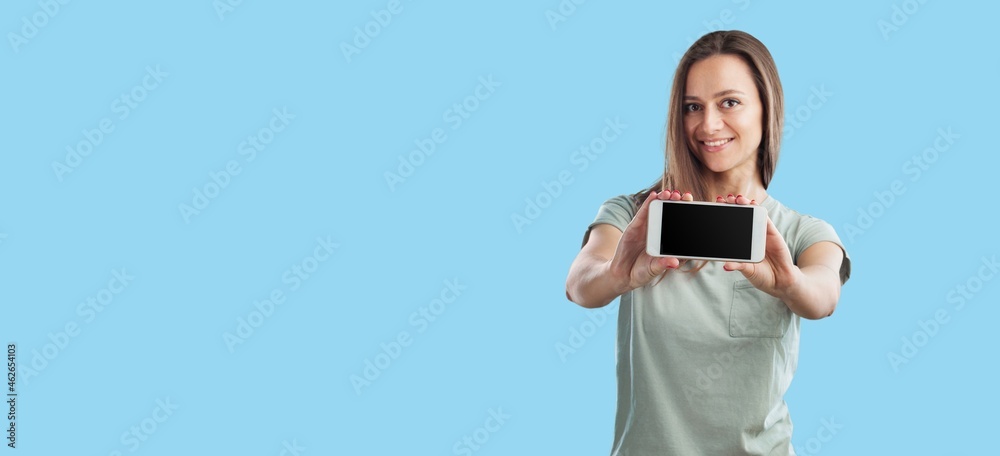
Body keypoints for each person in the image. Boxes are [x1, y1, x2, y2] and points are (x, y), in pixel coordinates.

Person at [564, 30, 851, 455]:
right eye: (692, 107)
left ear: (766, 109)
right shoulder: (635, 216)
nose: (708, 124)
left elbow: (823, 295)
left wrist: (788, 284)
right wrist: (617, 273)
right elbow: (580, 284)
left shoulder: (802, 233)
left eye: (729, 102)